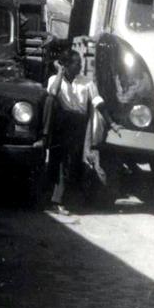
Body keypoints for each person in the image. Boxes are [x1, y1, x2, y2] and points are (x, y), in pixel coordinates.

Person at [46, 49, 111, 218]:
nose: (80, 67)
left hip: (79, 124)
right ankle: (56, 201)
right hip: (61, 123)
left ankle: (62, 200)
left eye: (81, 64)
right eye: (77, 64)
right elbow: (52, 93)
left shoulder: (87, 82)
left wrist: (112, 123)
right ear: (66, 65)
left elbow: (98, 102)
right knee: (60, 160)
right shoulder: (54, 79)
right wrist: (60, 72)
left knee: (71, 161)